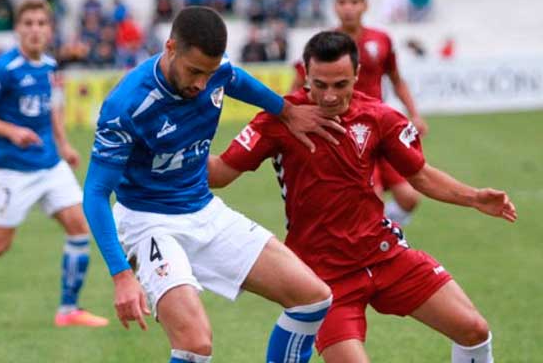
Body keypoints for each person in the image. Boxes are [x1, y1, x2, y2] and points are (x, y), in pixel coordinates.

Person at [208, 31, 517, 363]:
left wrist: (473, 198)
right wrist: (173, 148)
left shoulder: (379, 117)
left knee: (474, 329)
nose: (328, 96)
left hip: (384, 254)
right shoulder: (280, 120)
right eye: (319, 84)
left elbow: (421, 175)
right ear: (305, 76)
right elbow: (221, 173)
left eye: (340, 85)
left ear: (357, 76)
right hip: (323, 277)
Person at [82, 6, 343, 363]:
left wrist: (286, 111)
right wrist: (121, 275)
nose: (201, 84)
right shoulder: (126, 106)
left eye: (209, 73)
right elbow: (96, 194)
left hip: (204, 211)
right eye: (193, 72)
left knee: (313, 298)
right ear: (171, 47)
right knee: (195, 343)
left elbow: (235, 79)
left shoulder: (214, 72)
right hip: (148, 223)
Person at [0, 0, 108, 328]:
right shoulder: (5, 69)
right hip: (12, 171)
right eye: (28, 23)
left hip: (50, 166)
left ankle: (68, 310)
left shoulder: (48, 65)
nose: (35, 29)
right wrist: (12, 131)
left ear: (49, 29)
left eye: (41, 23)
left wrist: (63, 146)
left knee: (80, 227)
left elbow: (52, 108)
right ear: (18, 29)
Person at [291, 0, 426, 228]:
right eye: (342, 2)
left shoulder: (382, 39)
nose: (348, 8)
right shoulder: (322, 46)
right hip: (346, 133)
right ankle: (377, 242)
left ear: (365, 5)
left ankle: (384, 233)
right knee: (370, 197)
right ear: (335, 7)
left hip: (381, 129)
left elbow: (396, 79)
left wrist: (414, 114)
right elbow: (298, 85)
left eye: (354, 2)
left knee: (409, 197)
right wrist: (296, 116)